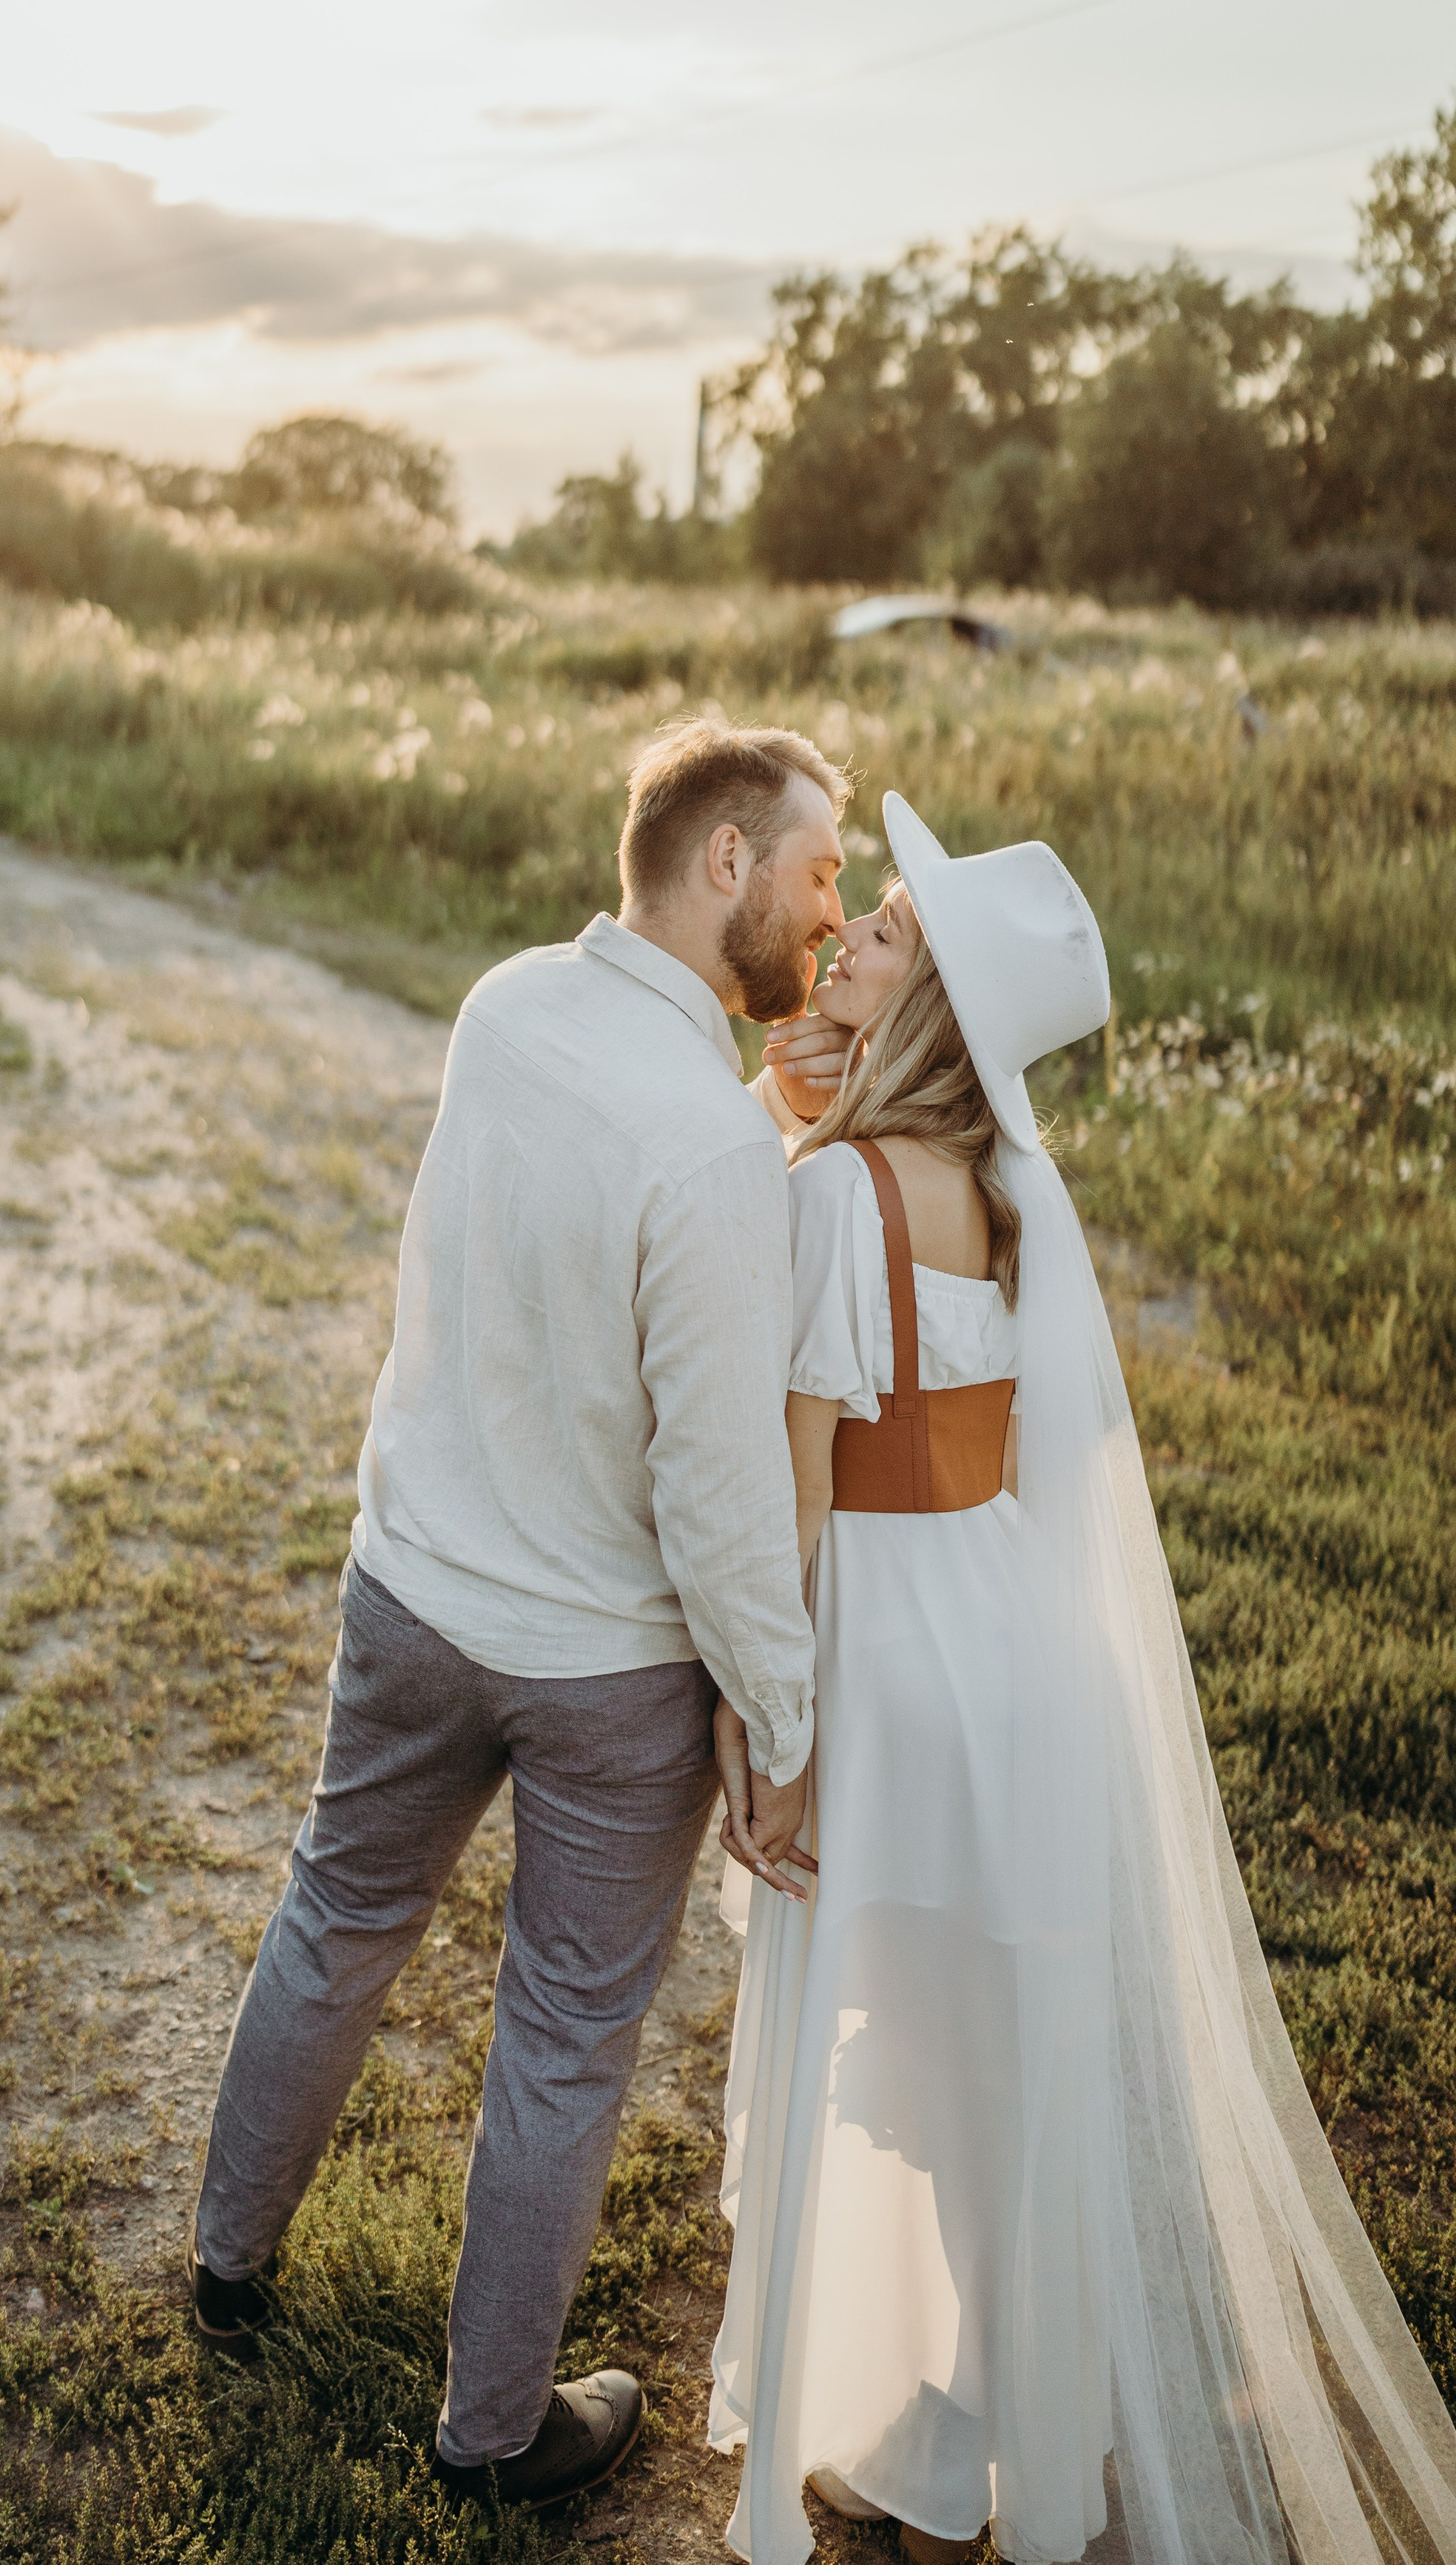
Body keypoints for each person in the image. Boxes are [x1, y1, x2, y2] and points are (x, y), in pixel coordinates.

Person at [710, 793, 1456, 2565]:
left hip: (887, 1664)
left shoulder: (835, 1200)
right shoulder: (1002, 1191)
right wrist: (819, 1072)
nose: (847, 942)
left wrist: (776, 1730)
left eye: (879, 932)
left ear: (934, 1010)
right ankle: (1001, 2424)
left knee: (844, 2038)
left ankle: (857, 2442)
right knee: (984, 2072)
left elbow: (797, 1492)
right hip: (1019, 1668)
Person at [190, 718, 847, 2512]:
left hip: (412, 1589)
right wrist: (776, 1730)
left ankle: (224, 2269)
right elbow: (721, 1504)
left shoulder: (496, 1010)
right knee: (559, 2035)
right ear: (721, 861)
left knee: (334, 1908)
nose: (829, 904)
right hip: (601, 1673)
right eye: (817, 867)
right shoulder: (708, 1148)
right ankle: (491, 2438)